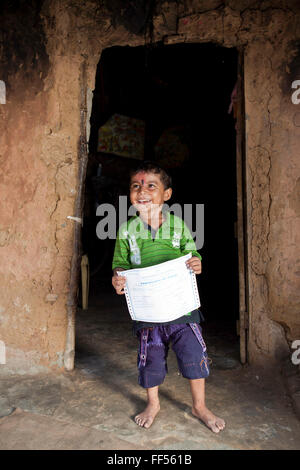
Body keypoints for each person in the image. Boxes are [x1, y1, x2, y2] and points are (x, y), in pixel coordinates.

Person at [111, 161, 225, 433]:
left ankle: (199, 405)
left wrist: (197, 262)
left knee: (194, 355)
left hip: (182, 310)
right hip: (148, 312)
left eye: (151, 185)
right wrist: (118, 277)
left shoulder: (178, 226)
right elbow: (120, 263)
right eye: (136, 186)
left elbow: (192, 253)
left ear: (167, 194)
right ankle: (153, 403)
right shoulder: (126, 231)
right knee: (150, 359)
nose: (142, 191)